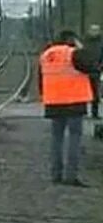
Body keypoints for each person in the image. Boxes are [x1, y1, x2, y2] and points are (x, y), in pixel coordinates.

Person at [39, 29, 96, 186]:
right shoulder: (74, 53)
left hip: (53, 103)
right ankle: (71, 176)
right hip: (74, 102)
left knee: (56, 139)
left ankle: (55, 175)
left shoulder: (46, 55)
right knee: (74, 139)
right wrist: (81, 48)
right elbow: (91, 65)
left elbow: (41, 79)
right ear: (72, 39)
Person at [82, 24, 103, 119]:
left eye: (96, 30)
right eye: (93, 30)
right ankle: (83, 112)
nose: (94, 32)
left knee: (95, 93)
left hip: (96, 70)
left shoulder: (101, 42)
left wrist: (100, 66)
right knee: (83, 92)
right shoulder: (84, 41)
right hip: (84, 70)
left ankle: (95, 112)